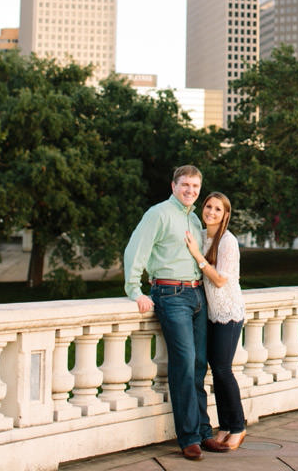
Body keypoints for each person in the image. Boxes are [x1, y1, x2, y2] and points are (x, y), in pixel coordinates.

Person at [123, 165, 230, 461]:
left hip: (197, 294)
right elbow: (135, 251)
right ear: (173, 186)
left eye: (195, 187)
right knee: (183, 363)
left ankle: (205, 432)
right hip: (170, 295)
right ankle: (188, 438)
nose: (190, 191)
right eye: (185, 185)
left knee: (198, 364)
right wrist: (135, 290)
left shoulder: (195, 219)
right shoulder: (157, 214)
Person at [184, 192, 247, 450]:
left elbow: (220, 279)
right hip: (210, 313)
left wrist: (198, 256)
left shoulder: (227, 242)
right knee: (216, 370)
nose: (211, 212)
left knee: (222, 369)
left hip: (228, 313)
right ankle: (226, 426)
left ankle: (239, 427)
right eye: (208, 206)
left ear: (225, 215)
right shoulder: (200, 235)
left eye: (217, 209)